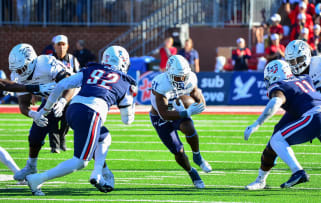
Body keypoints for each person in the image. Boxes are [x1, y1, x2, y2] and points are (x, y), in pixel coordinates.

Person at [244, 40, 321, 190]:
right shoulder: (296, 75)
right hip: (316, 112)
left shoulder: (316, 66)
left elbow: (276, 102)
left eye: (298, 60)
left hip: (315, 112)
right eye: (291, 61)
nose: (295, 64)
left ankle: (297, 171)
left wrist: (257, 123)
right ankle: (261, 179)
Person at [26, 45, 137, 196]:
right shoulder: (125, 82)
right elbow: (127, 120)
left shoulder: (90, 70)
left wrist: (46, 109)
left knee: (104, 137)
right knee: (80, 161)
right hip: (91, 113)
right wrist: (131, 102)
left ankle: (98, 173)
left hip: (73, 109)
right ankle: (37, 179)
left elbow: (62, 85)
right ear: (123, 62)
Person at [8, 43, 74, 184]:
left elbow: (70, 82)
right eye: (16, 69)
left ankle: (102, 168)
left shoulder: (45, 63)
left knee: (85, 132)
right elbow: (23, 104)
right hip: (51, 100)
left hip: (74, 97)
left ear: (31, 60)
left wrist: (63, 101)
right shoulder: (18, 74)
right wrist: (33, 115)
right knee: (35, 134)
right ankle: (31, 166)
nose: (19, 72)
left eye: (22, 68)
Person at [150, 55, 211, 188]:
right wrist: (187, 112)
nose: (182, 80)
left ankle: (197, 156)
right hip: (160, 117)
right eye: (178, 77)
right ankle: (191, 172)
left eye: (184, 76)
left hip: (177, 109)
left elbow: (198, 97)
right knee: (178, 151)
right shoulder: (161, 84)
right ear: (169, 73)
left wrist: (200, 105)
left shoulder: (191, 78)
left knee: (189, 127)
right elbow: (164, 113)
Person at [49, 34, 81, 153]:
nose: (61, 47)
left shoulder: (73, 60)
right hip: (52, 93)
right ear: (54, 46)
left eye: (63, 44)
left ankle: (62, 138)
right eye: (59, 45)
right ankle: (54, 145)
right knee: (52, 119)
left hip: (68, 95)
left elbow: (79, 76)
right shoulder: (48, 59)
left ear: (67, 46)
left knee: (66, 119)